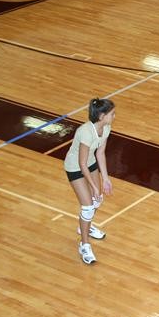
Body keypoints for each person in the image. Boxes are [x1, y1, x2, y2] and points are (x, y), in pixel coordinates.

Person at [63, 98, 115, 264]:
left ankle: (85, 226)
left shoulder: (106, 128)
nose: (114, 116)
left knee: (97, 200)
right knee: (87, 207)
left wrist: (105, 179)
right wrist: (93, 186)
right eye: (112, 114)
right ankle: (84, 245)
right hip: (75, 167)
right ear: (101, 116)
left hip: (90, 163)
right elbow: (81, 164)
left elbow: (100, 153)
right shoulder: (85, 132)